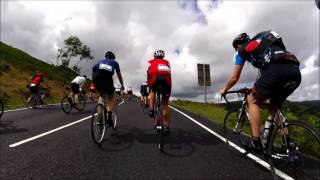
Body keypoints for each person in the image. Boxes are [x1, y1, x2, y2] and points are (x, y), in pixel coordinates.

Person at [219, 30, 301, 152]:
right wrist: (254, 88)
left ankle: (255, 141)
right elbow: (265, 79)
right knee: (273, 106)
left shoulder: (242, 50)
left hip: (276, 70)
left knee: (252, 99)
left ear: (238, 45)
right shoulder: (262, 46)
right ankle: (287, 141)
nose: (237, 51)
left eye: (236, 49)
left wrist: (225, 88)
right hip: (294, 70)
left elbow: (234, 77)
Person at [92, 51, 124, 127]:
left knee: (101, 96)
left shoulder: (100, 61)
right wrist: (122, 85)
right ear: (113, 58)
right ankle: (109, 116)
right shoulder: (115, 62)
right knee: (111, 97)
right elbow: (119, 75)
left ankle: (100, 118)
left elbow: (93, 68)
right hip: (106, 77)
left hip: (95, 76)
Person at [147, 50, 172, 135]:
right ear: (163, 57)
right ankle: (166, 126)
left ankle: (151, 110)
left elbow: (148, 74)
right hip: (166, 81)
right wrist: (169, 91)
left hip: (154, 79)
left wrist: (149, 85)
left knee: (152, 91)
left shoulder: (151, 62)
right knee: (165, 105)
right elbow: (170, 76)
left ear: (154, 57)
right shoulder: (167, 63)